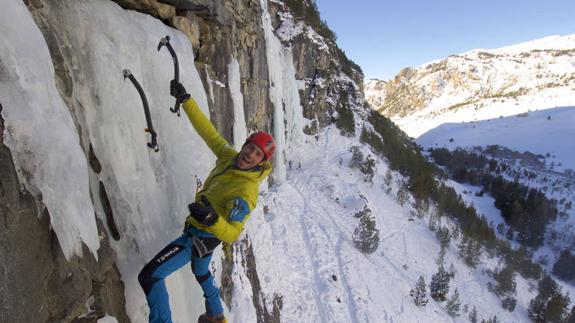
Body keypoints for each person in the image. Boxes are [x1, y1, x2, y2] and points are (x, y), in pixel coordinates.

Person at [138, 80, 275, 323]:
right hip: (203, 237)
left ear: (261, 162)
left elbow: (233, 234)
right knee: (200, 271)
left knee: (150, 276)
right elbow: (208, 132)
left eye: (257, 155)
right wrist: (186, 101)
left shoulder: (247, 191)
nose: (250, 155)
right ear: (244, 145)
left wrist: (211, 219)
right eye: (250, 148)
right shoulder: (227, 157)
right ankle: (216, 315)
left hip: (199, 238)